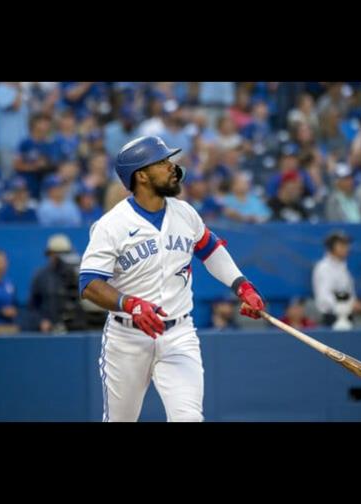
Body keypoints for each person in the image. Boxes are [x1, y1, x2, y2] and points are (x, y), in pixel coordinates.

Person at [78, 135, 266, 422]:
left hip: (178, 333)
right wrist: (130, 304)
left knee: (188, 418)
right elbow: (89, 284)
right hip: (128, 337)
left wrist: (242, 286)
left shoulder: (185, 212)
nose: (171, 166)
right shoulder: (111, 225)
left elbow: (211, 250)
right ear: (141, 175)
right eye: (162, 161)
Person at [29, 234, 86, 333]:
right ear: (49, 254)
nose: (60, 258)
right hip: (50, 329)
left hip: (75, 328)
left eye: (64, 253)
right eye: (56, 254)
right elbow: (33, 306)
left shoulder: (78, 275)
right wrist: (41, 321)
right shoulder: (41, 276)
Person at [312, 230, 361, 327]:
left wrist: (354, 304)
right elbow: (324, 299)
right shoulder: (324, 268)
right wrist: (350, 305)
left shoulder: (343, 268)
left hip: (347, 316)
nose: (346, 248)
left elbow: (349, 293)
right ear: (331, 247)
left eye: (346, 245)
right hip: (330, 319)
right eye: (342, 245)